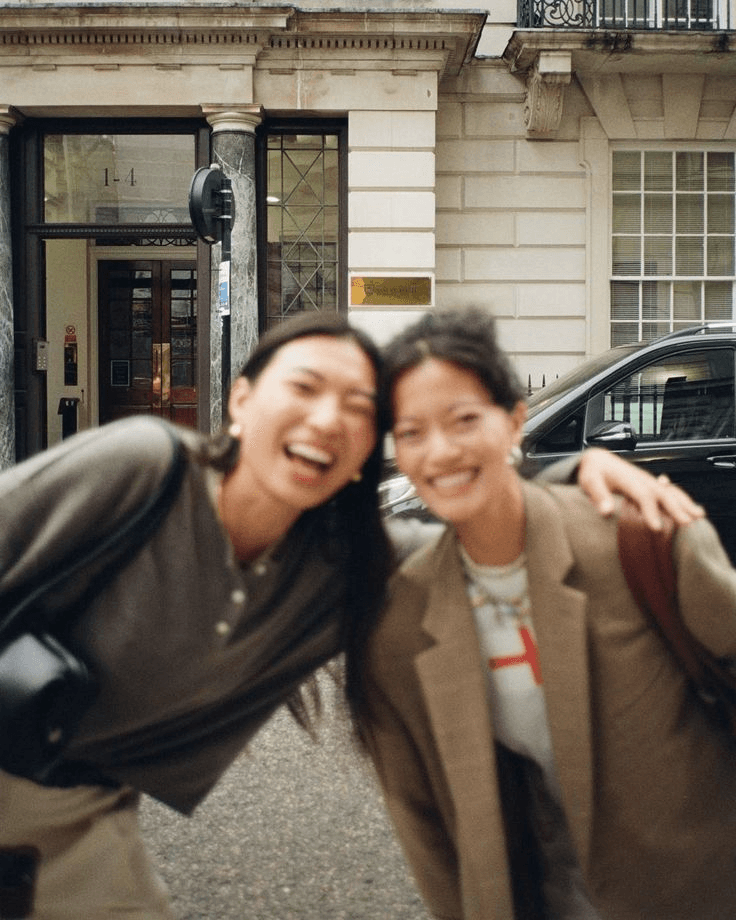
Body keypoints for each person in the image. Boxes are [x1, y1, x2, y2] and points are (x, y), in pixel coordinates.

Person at [0, 311, 700, 919]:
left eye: (360, 408)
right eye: (303, 388)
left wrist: (577, 476)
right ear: (241, 400)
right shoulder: (144, 465)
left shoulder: (340, 566)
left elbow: (476, 534)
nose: (329, 419)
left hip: (87, 817)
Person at [360, 307, 736, 920]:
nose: (440, 453)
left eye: (463, 421)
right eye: (411, 433)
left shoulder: (643, 540)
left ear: (513, 422)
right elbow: (425, 825)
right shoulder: (401, 613)